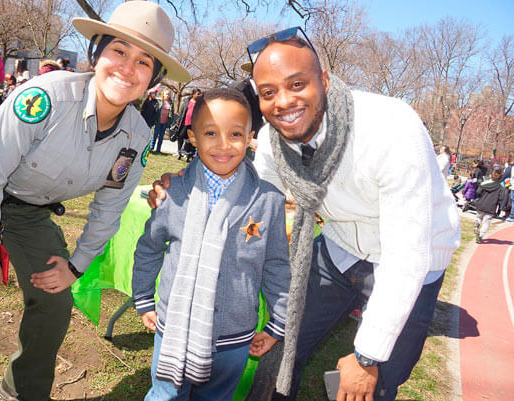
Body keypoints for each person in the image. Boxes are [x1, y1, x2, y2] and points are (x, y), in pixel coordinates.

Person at [149, 27, 460, 401]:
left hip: (416, 258)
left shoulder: (391, 127)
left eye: (297, 84)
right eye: (268, 93)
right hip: (339, 247)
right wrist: (184, 185)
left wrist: (366, 356)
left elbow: (406, 254)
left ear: (324, 80)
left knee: (375, 381)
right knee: (284, 347)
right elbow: (247, 194)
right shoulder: (271, 142)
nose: (283, 102)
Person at [0, 2, 189, 400]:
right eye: (118, 51)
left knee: (55, 300)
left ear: (154, 78)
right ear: (96, 54)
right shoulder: (46, 98)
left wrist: (76, 267)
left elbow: (109, 208)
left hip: (26, 207)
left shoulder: (136, 136)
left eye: (144, 61)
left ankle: (22, 392)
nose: (128, 68)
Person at [133, 87, 291, 400]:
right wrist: (143, 298)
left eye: (235, 134)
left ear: (250, 138)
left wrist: (278, 322)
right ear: (192, 137)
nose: (223, 145)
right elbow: (149, 247)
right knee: (166, 395)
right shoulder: (172, 192)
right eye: (210, 133)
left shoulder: (269, 200)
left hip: (234, 338)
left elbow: (275, 264)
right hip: (175, 327)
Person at [473, 168, 509, 243]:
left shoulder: (484, 183)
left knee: (479, 217)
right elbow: (501, 198)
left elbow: (478, 192)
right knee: (486, 222)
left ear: (491, 175)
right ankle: (480, 236)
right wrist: (501, 207)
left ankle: (477, 221)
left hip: (481, 204)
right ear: (500, 178)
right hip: (491, 207)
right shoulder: (500, 188)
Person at [176, 88, 201, 160]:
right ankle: (179, 151)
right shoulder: (187, 101)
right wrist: (178, 121)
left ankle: (188, 154)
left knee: (190, 140)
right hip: (184, 123)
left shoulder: (199, 104)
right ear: (193, 94)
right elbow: (181, 111)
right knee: (180, 137)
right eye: (198, 94)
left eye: (200, 94)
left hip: (193, 125)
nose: (199, 95)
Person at [151, 89, 173, 153]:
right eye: (166, 94)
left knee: (161, 137)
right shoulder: (160, 101)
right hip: (158, 121)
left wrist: (170, 122)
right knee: (155, 135)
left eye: (169, 94)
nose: (168, 95)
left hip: (165, 123)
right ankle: (151, 148)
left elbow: (172, 113)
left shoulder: (171, 103)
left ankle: (158, 149)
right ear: (163, 94)